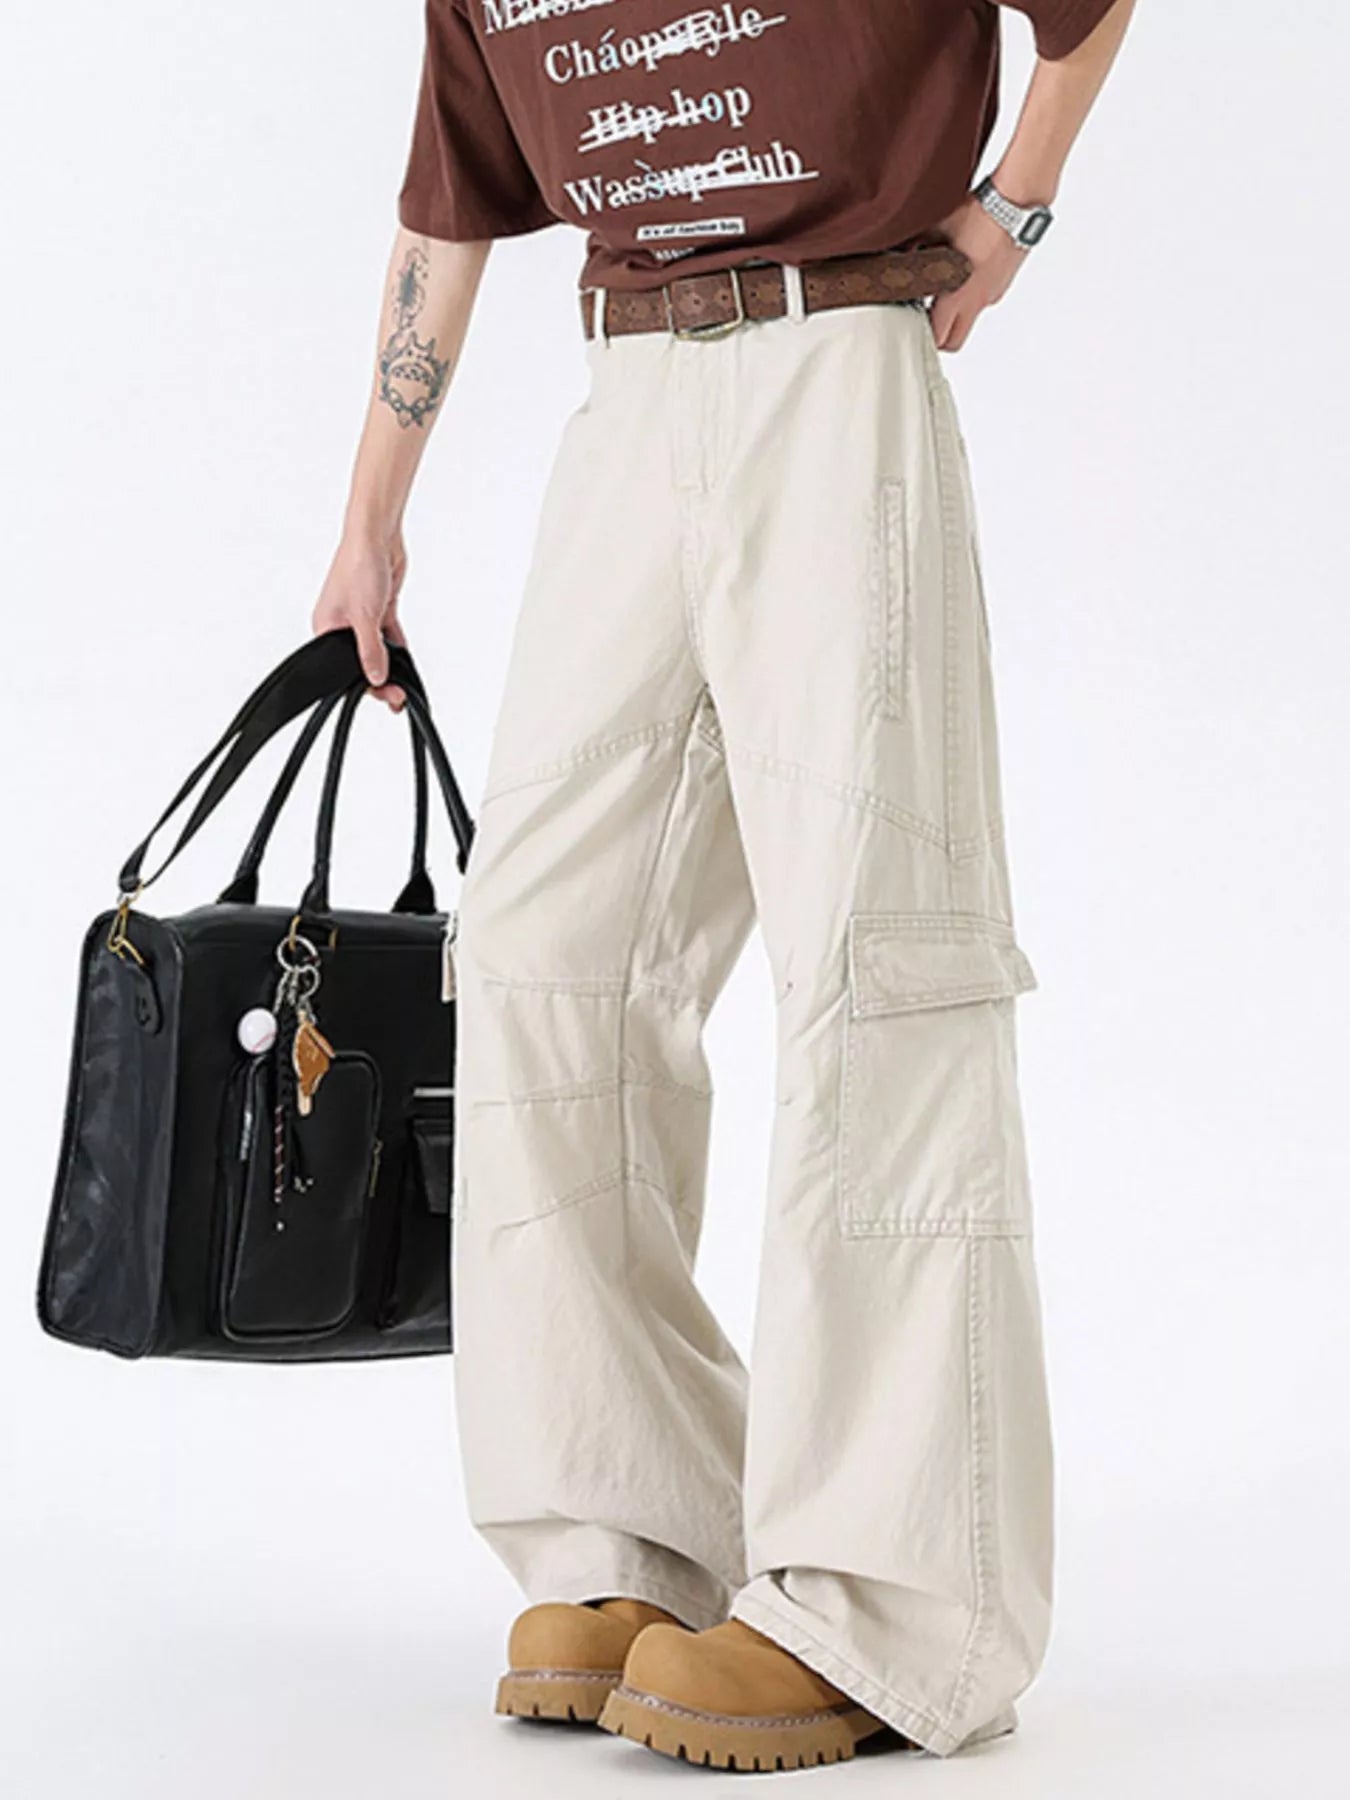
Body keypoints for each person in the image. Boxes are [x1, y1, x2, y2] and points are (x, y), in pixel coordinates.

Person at [314, 0, 1136, 1771]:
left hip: (835, 359)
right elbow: (448, 207)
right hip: (627, 388)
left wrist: (1016, 204)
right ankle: (627, 1533)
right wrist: (369, 519)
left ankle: (894, 1606)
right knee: (542, 953)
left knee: (876, 952)